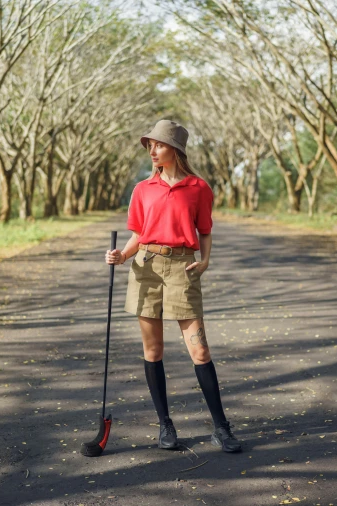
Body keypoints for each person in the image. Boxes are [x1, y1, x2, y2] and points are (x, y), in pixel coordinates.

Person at [104, 119, 241, 453]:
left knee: (200, 351)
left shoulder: (199, 188)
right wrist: (121, 254)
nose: (153, 150)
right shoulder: (142, 189)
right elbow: (139, 233)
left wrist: (205, 260)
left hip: (182, 266)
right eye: (150, 144)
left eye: (159, 145)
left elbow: (204, 229)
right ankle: (165, 424)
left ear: (176, 150)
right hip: (146, 268)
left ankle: (221, 427)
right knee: (153, 351)